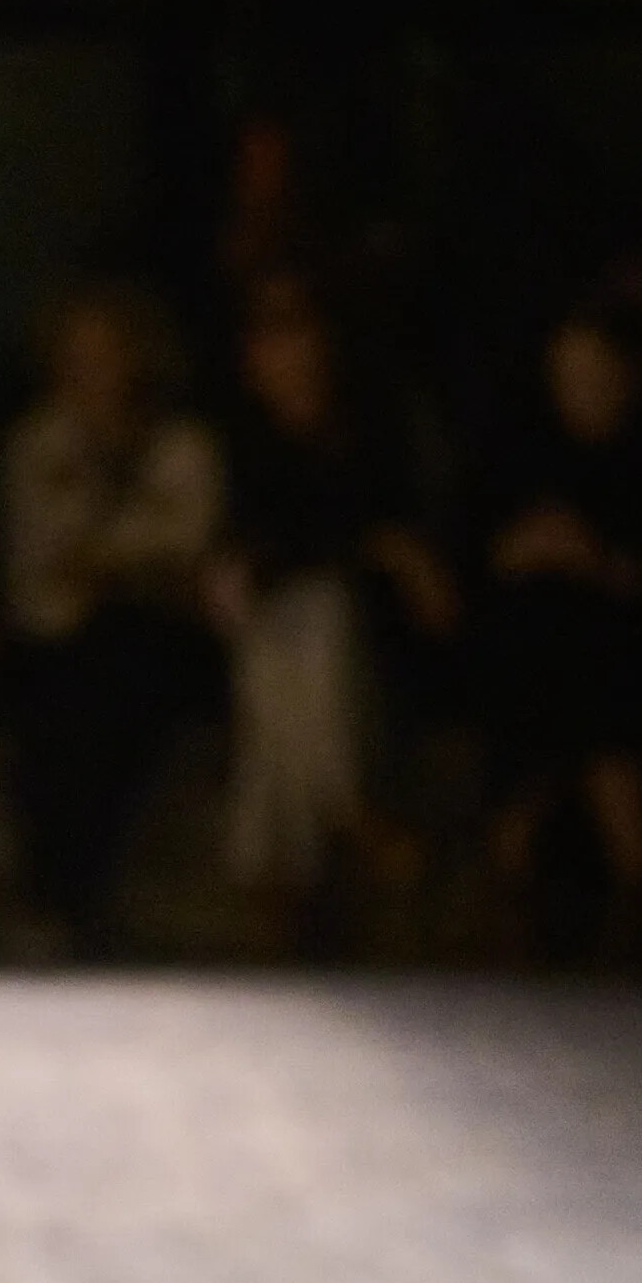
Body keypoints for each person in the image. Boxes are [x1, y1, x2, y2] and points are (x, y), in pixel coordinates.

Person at [207, 273, 459, 929]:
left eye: (296, 333)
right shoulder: (243, 439)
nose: (285, 354)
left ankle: (275, 865)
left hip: (372, 628)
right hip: (279, 628)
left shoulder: (378, 427)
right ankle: (346, 809)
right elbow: (265, 541)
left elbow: (385, 533)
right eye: (268, 338)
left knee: (312, 616)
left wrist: (386, 551)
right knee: (280, 633)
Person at [0, 280, 222, 948]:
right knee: (55, 700)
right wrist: (119, 555)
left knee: (119, 672)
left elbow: (186, 547)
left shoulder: (181, 446)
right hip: (59, 639)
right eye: (78, 355)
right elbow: (37, 560)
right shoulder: (39, 445)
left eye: (107, 354)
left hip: (162, 639)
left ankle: (79, 900)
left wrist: (106, 558)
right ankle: (56, 902)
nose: (91, 371)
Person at [478, 293, 642, 955]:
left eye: (595, 374)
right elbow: (487, 563)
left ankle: (639, 925)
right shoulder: (532, 459)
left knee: (594, 686)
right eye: (568, 376)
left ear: (628, 374)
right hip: (540, 668)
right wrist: (531, 549)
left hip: (628, 670)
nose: (580, 390)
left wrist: (593, 558)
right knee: (549, 660)